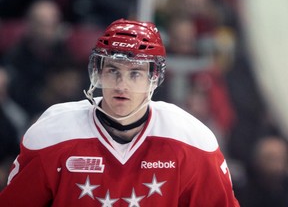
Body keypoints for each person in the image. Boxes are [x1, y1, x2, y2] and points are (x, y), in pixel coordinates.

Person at [0, 19, 239, 206]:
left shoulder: (192, 140)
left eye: (135, 73)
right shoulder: (52, 134)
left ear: (153, 78)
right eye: (113, 70)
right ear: (99, 73)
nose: (121, 85)